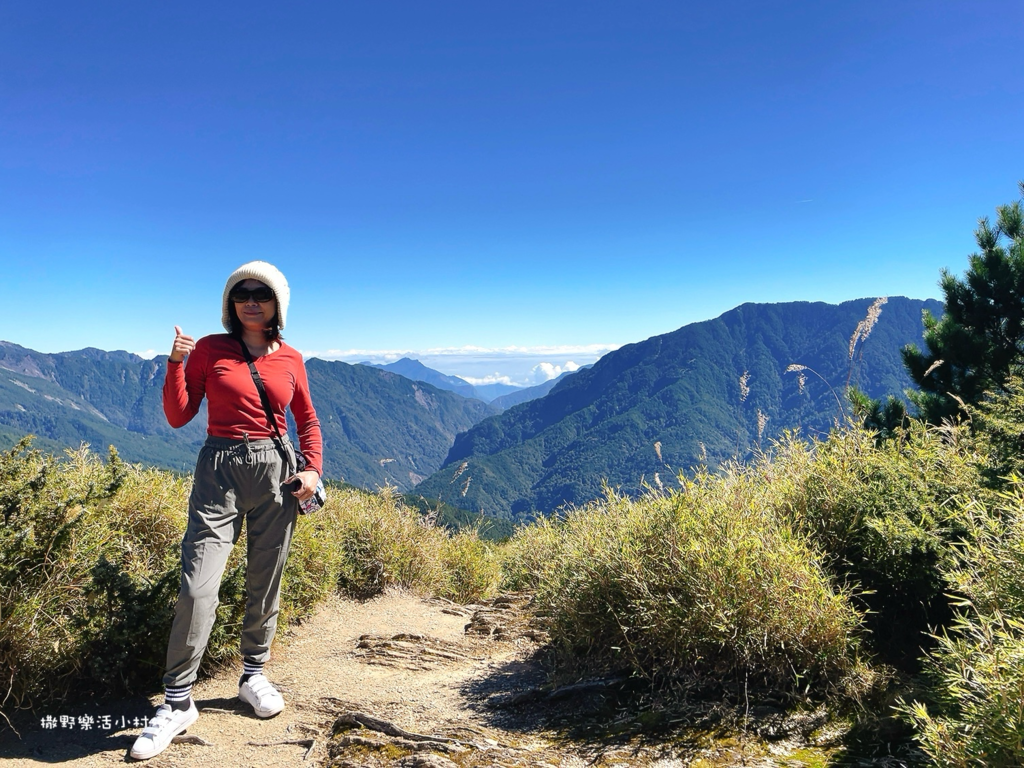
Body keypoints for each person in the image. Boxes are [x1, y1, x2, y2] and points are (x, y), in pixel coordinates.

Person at [130, 261, 323, 761]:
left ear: (278, 302)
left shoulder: (293, 359)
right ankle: (177, 700)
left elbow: (306, 420)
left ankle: (253, 675)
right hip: (219, 469)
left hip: (277, 474)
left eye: (261, 293)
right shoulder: (211, 350)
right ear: (230, 304)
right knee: (198, 584)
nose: (251, 300)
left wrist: (314, 471)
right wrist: (175, 363)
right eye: (242, 293)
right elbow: (178, 416)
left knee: (266, 578)